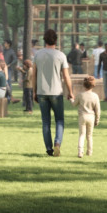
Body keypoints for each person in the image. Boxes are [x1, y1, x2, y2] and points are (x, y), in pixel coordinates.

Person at [33, 28, 74, 156]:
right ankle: (57, 143)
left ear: (44, 40)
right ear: (56, 40)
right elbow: (66, 76)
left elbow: (34, 75)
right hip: (56, 92)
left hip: (42, 92)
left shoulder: (38, 55)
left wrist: (34, 91)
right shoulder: (61, 55)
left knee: (46, 121)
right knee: (59, 120)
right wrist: (70, 91)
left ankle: (49, 149)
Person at [72, 76, 101, 158]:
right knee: (89, 136)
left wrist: (71, 99)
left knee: (82, 135)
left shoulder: (80, 95)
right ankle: (89, 152)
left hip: (82, 116)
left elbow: (74, 104)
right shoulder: (95, 96)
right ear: (93, 85)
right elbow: (98, 110)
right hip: (91, 117)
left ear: (84, 85)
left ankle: (80, 151)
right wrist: (97, 120)